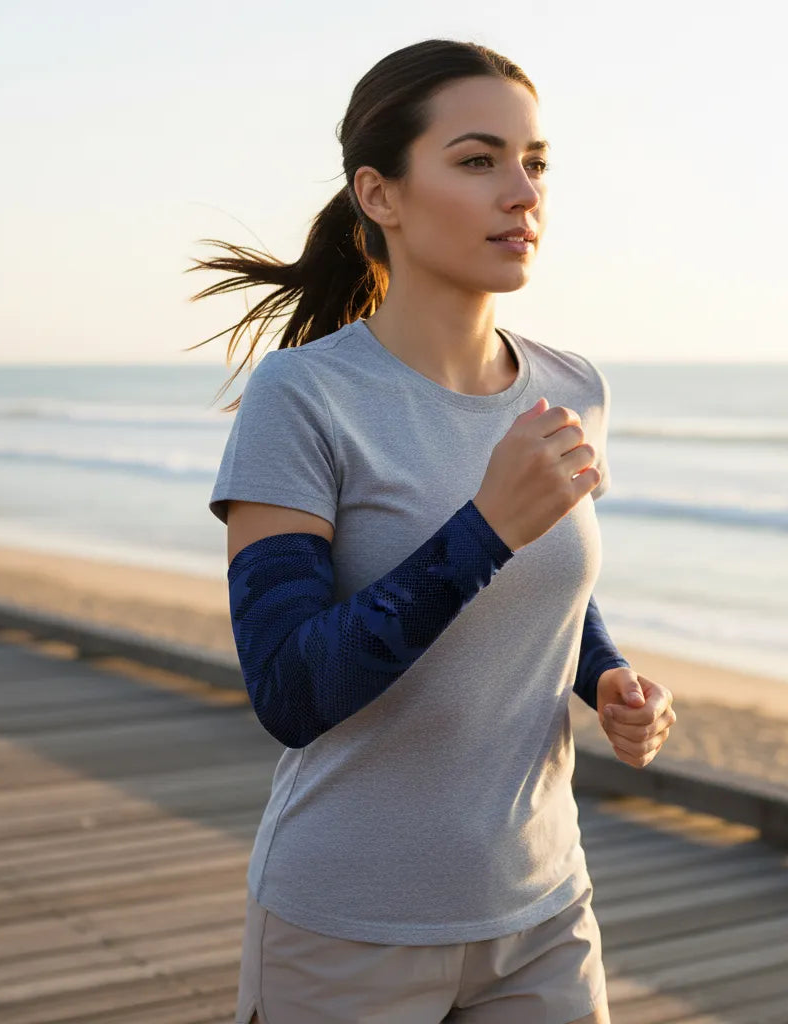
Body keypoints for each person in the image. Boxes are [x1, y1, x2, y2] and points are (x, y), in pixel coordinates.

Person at [190, 37, 676, 1024]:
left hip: (542, 912)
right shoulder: (305, 396)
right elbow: (290, 686)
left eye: (535, 162)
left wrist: (607, 676)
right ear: (381, 195)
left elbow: (550, 585)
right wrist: (484, 527)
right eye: (476, 159)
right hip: (347, 927)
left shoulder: (573, 387)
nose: (521, 193)